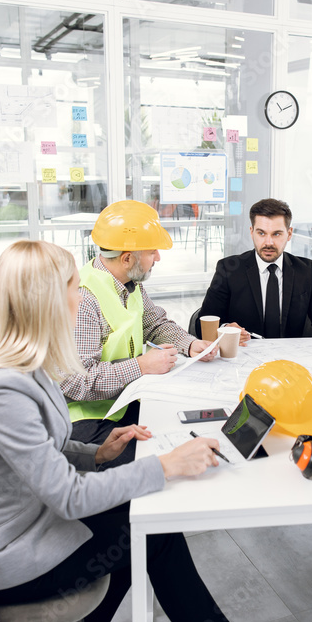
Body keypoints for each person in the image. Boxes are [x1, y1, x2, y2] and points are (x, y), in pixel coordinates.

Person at [0, 240, 229, 622]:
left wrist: (94, 454)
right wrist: (165, 466)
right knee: (153, 534)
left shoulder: (25, 361)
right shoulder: (1, 388)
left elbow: (42, 449)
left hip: (28, 520)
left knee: (145, 531)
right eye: (73, 289)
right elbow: (69, 497)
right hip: (2, 555)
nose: (80, 299)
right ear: (45, 301)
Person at [60, 200, 217, 469]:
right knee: (159, 457)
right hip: (86, 420)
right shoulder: (84, 298)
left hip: (122, 402)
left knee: (180, 427)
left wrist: (190, 344)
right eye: (152, 251)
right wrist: (141, 366)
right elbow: (76, 383)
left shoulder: (128, 282)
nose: (157, 257)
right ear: (127, 258)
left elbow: (154, 323)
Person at [196, 198, 312, 341]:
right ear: (252, 233)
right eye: (261, 233)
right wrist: (225, 330)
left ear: (289, 233)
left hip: (290, 360)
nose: (268, 242)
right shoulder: (228, 269)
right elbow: (202, 322)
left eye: (277, 234)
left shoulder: (305, 270)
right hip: (243, 356)